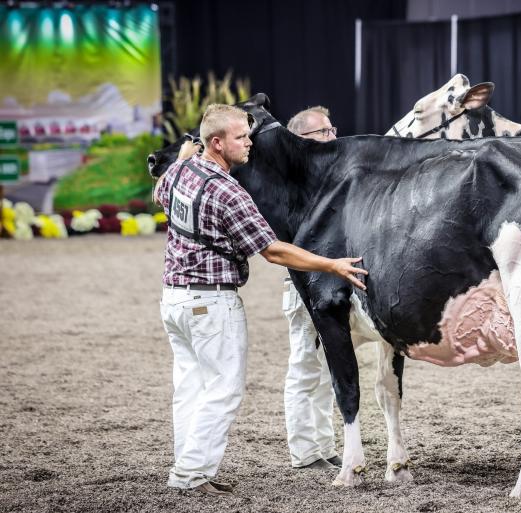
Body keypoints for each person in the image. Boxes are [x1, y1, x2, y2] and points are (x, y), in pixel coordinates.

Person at [156, 104, 366, 496]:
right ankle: (190, 475)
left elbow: (158, 193)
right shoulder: (228, 191)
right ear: (217, 143)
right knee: (222, 390)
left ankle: (190, 467)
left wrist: (188, 154)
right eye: (240, 137)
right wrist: (332, 264)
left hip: (174, 299)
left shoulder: (181, 172)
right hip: (211, 303)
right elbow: (273, 251)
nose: (250, 143)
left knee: (190, 388)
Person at [282, 106, 341, 470]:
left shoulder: (328, 178)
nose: (332, 137)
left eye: (332, 129)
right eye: (323, 132)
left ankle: (324, 444)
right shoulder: (292, 184)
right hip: (304, 284)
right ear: (300, 140)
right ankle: (305, 452)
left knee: (327, 369)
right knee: (305, 366)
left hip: (331, 282)